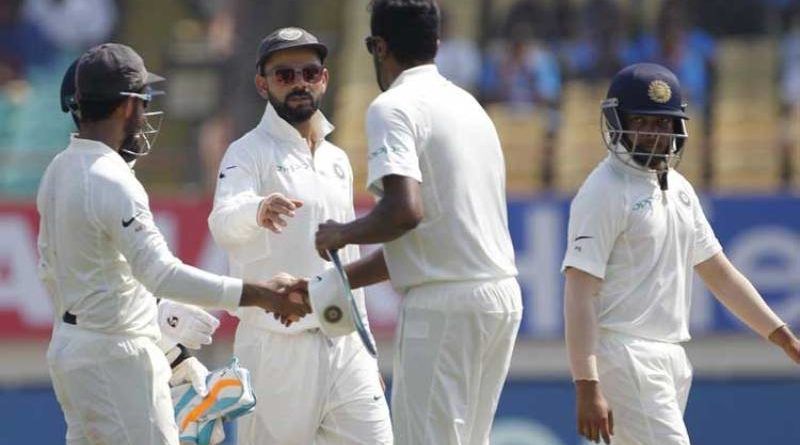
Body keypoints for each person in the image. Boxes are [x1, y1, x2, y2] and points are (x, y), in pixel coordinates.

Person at [37, 43, 311, 445]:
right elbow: (161, 274)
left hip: (70, 353)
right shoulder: (113, 180)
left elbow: (74, 275)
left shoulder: (57, 170)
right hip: (117, 358)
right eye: (144, 102)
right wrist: (263, 295)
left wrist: (170, 350)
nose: (145, 115)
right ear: (126, 106)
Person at [313, 1, 523, 443]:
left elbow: (404, 212)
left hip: (444, 307)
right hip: (498, 298)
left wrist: (341, 234)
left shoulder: (392, 106)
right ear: (437, 44)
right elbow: (424, 237)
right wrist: (337, 281)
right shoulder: (469, 105)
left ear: (379, 46)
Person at [561, 62, 800, 445]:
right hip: (625, 353)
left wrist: (783, 337)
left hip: (670, 355)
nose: (654, 133)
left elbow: (720, 274)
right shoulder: (604, 190)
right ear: (617, 123)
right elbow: (579, 292)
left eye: (662, 123)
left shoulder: (680, 189)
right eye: (641, 122)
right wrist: (586, 382)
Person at [207, 27, 392, 445]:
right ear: (263, 84)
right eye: (284, 75)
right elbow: (223, 221)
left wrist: (367, 349)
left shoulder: (337, 159)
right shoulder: (247, 151)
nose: (299, 83)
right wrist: (257, 209)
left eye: (309, 73)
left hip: (344, 342)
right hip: (276, 345)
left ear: (323, 79)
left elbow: (347, 259)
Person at [59, 56, 225, 402]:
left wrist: (174, 354)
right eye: (135, 102)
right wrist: (256, 294)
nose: (142, 116)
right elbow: (86, 299)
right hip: (103, 362)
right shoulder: (87, 181)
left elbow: (121, 278)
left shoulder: (107, 175)